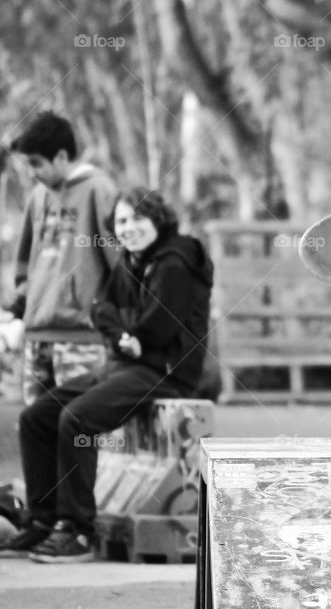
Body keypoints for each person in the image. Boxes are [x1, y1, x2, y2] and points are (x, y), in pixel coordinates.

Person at [0, 187, 214, 563]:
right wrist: (121, 334)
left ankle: (77, 530)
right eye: (122, 221)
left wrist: (129, 333)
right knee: (37, 417)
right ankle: (42, 521)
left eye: (137, 219)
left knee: (76, 419)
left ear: (158, 220)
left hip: (164, 372)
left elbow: (159, 327)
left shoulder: (174, 263)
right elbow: (101, 308)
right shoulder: (131, 262)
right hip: (124, 364)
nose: (128, 227)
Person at [0, 112, 119, 403]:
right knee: (36, 429)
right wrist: (17, 310)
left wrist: (115, 322)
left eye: (36, 163)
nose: (31, 172)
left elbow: (120, 264)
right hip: (37, 336)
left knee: (79, 429)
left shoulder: (99, 190)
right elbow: (26, 265)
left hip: (81, 339)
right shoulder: (38, 198)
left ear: (62, 156)